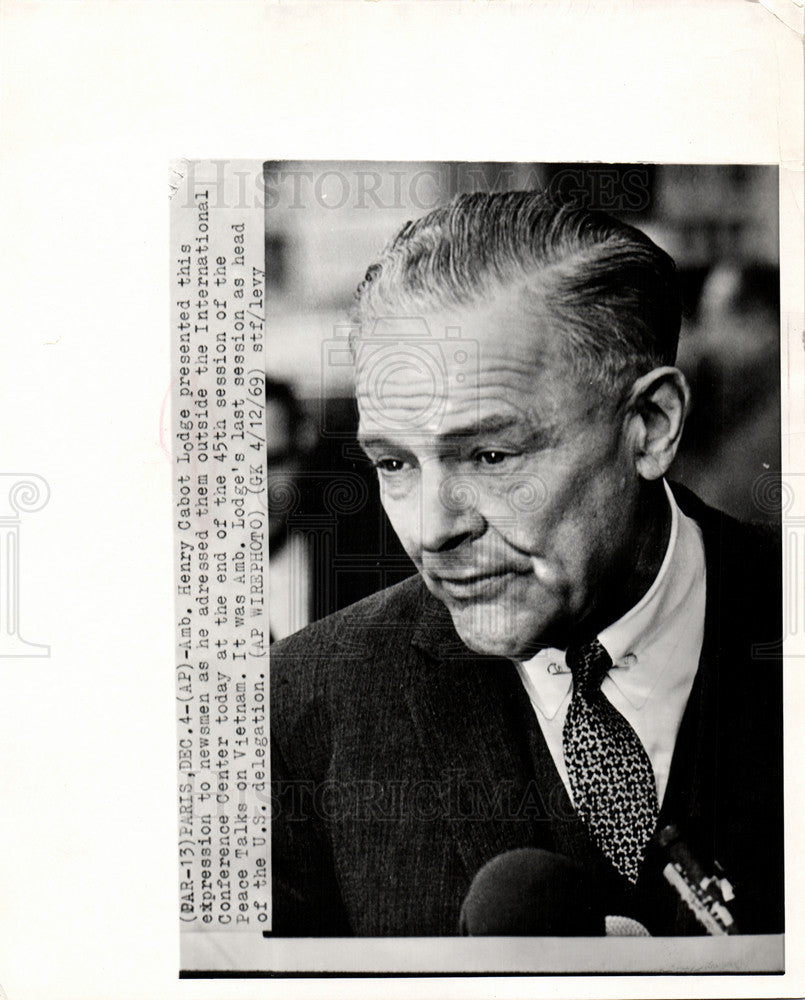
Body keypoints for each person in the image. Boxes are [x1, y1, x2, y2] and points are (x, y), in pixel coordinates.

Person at [269, 191, 782, 937]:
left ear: (651, 426)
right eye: (392, 463)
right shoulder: (302, 712)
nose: (432, 529)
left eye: (490, 455)